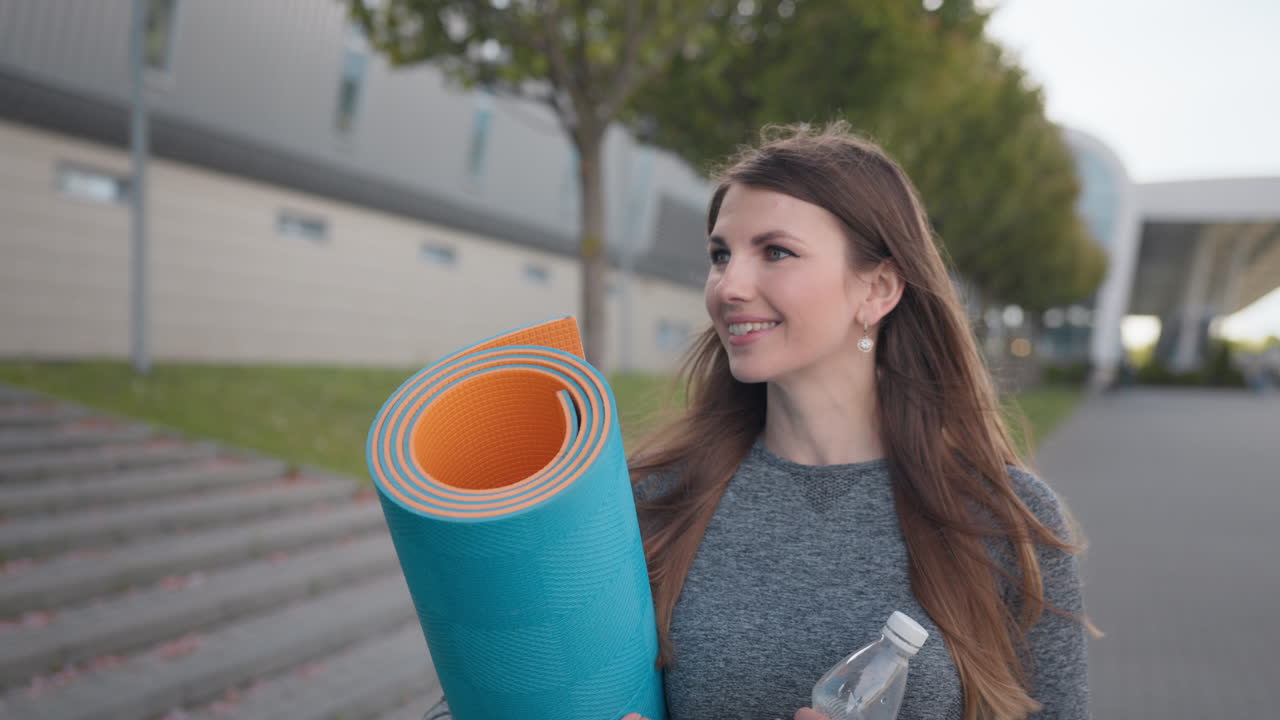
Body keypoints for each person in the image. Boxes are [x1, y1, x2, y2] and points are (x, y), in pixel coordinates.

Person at [425, 122, 1091, 720]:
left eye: (775, 252)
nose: (728, 286)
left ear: (878, 289)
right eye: (720, 255)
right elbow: (490, 701)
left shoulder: (1003, 519)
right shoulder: (649, 502)